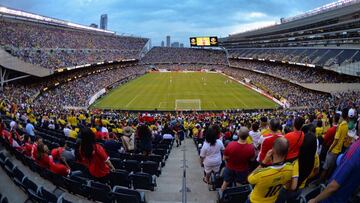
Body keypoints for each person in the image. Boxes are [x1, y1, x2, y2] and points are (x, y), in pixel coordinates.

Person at [309, 139, 360, 203]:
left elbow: (334, 186)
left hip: (332, 198)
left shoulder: (356, 150)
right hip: (345, 196)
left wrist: (314, 200)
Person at [247, 137, 293, 203]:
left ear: (272, 150)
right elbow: (287, 185)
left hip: (255, 200)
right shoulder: (290, 168)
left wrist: (264, 162)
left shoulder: (262, 173)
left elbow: (249, 179)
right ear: (288, 150)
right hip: (272, 200)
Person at [276, 132, 319, 203]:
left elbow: (292, 185)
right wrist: (306, 177)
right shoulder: (315, 156)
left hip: (287, 187)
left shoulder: (296, 157)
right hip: (300, 187)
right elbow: (316, 171)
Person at [221, 127, 255, 191]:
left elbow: (224, 158)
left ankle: (222, 196)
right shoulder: (251, 148)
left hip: (230, 168)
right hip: (243, 170)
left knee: (225, 183)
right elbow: (252, 159)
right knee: (239, 186)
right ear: (247, 136)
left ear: (238, 134)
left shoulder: (230, 145)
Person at [321, 108, 349, 182]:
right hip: (339, 149)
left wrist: (330, 149)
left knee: (325, 168)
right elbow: (345, 138)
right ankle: (327, 180)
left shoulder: (340, 126)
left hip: (333, 150)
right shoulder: (346, 125)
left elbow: (336, 140)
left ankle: (321, 181)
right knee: (331, 167)